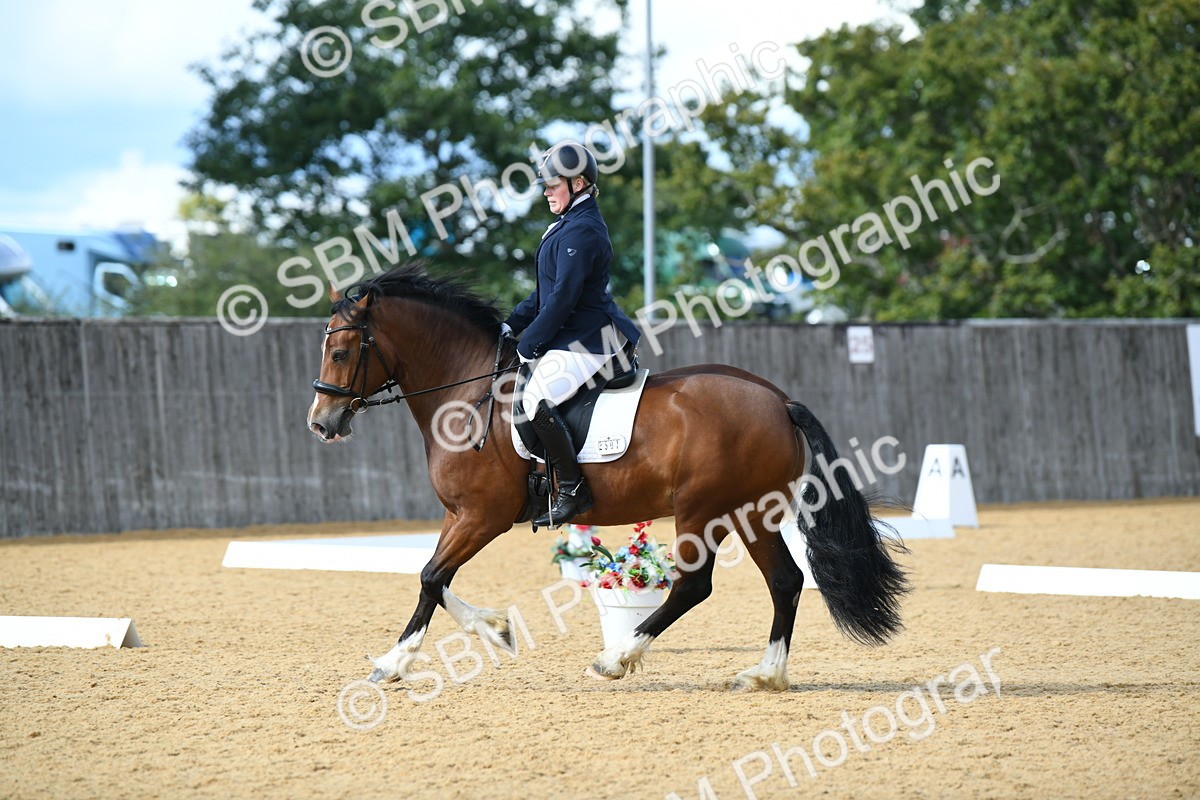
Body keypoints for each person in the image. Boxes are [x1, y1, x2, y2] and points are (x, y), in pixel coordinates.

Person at [502, 141, 642, 527]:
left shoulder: (583, 230)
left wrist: (530, 344)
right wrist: (511, 324)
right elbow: (544, 292)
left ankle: (572, 488)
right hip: (575, 337)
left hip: (594, 339)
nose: (547, 192)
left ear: (577, 183)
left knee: (535, 399)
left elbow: (564, 297)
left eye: (553, 185)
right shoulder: (566, 224)